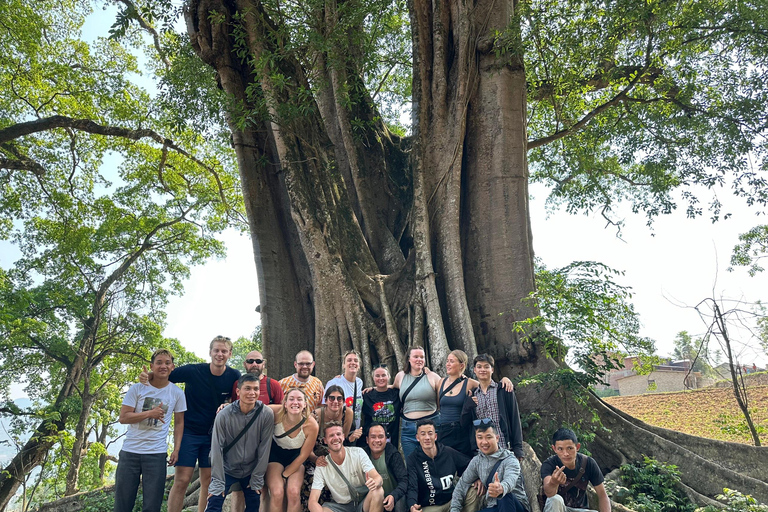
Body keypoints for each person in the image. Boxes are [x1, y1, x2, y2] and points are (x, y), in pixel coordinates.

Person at [141, 335, 241, 512]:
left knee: (208, 480)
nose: (220, 354)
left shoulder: (234, 375)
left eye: (224, 351)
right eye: (216, 350)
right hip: (189, 433)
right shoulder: (193, 371)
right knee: (182, 480)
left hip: (214, 435)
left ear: (230, 354)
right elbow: (164, 374)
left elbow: (238, 400)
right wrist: (147, 376)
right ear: (210, 352)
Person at [115, 349, 186, 512]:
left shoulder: (177, 393)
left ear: (172, 367)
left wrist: (176, 449)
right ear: (151, 366)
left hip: (156, 454)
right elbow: (123, 417)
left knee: (152, 506)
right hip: (130, 453)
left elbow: (179, 423)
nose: (163, 366)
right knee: (122, 505)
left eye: (167, 363)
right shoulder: (137, 388)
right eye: (159, 362)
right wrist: (149, 413)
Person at [205, 374, 275, 512]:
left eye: (255, 389)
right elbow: (216, 448)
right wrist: (218, 481)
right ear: (238, 391)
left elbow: (265, 448)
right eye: (247, 388)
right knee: (214, 501)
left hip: (251, 469)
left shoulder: (266, 414)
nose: (252, 393)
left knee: (254, 503)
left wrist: (257, 478)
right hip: (226, 468)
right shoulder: (224, 415)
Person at [450, 419, 528, 512]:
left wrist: (501, 488)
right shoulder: (477, 461)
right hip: (493, 507)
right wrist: (454, 509)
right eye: (480, 437)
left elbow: (511, 479)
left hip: (514, 506)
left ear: (497, 438)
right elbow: (461, 486)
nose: (484, 442)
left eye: (488, 437)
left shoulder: (510, 460)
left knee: (503, 495)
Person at [308, 421, 385, 512]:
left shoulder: (358, 453)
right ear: (325, 440)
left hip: (362, 501)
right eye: (331, 435)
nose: (336, 438)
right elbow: (312, 501)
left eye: (338, 434)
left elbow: (378, 478)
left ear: (343, 437)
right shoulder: (322, 465)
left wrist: (374, 482)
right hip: (339, 506)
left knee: (378, 491)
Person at [265, 389, 320, 512]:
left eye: (299, 399)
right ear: (285, 403)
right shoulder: (275, 412)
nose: (295, 402)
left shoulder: (311, 425)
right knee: (277, 492)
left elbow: (303, 455)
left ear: (305, 404)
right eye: (291, 399)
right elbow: (254, 408)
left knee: (293, 492)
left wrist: (285, 475)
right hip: (275, 455)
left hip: (296, 457)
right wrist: (229, 406)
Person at [461, 354, 524, 459]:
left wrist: (518, 449)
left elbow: (514, 418)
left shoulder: (503, 390)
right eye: (479, 367)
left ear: (492, 370)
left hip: (504, 447)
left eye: (486, 367)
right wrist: (468, 406)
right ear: (475, 370)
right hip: (482, 451)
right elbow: (464, 423)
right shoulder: (472, 394)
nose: (483, 370)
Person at [406, 419, 474, 512]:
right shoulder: (412, 459)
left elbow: (469, 464)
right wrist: (412, 505)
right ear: (418, 438)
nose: (427, 437)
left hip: (452, 502)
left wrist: (476, 478)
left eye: (430, 433)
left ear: (435, 436)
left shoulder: (448, 452)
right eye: (423, 434)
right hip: (430, 506)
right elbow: (412, 486)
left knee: (474, 491)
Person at [541, 429, 610, 512]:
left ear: (577, 447)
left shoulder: (588, 463)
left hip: (580, 510)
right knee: (554, 499)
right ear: (554, 449)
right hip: (559, 508)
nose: (566, 453)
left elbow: (602, 494)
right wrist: (553, 483)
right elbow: (549, 493)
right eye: (560, 449)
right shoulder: (549, 464)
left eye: (570, 448)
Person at [393, 347, 441, 458]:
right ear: (408, 359)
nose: (419, 359)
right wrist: (373, 388)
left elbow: (446, 390)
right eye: (416, 357)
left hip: (431, 425)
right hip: (408, 429)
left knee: (434, 460)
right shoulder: (400, 376)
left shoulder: (432, 376)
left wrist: (462, 377)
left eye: (422, 357)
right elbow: (392, 388)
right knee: (411, 462)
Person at [324, 350, 365, 445]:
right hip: (338, 432)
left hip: (355, 432)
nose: (352, 363)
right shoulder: (335, 383)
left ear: (359, 365)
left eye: (356, 361)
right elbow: (325, 408)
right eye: (349, 360)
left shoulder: (359, 382)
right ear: (343, 365)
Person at [364, 424, 407, 512]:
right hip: (372, 499)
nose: (377, 440)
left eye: (380, 437)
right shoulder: (362, 455)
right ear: (367, 440)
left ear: (386, 439)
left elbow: (404, 481)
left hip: (392, 499)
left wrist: (394, 496)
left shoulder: (393, 454)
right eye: (373, 437)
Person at [362, 365, 401, 448]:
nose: (381, 378)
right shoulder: (367, 395)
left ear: (389, 377)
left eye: (383, 375)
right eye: (377, 376)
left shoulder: (397, 394)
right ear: (373, 378)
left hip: (392, 439)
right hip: (373, 440)